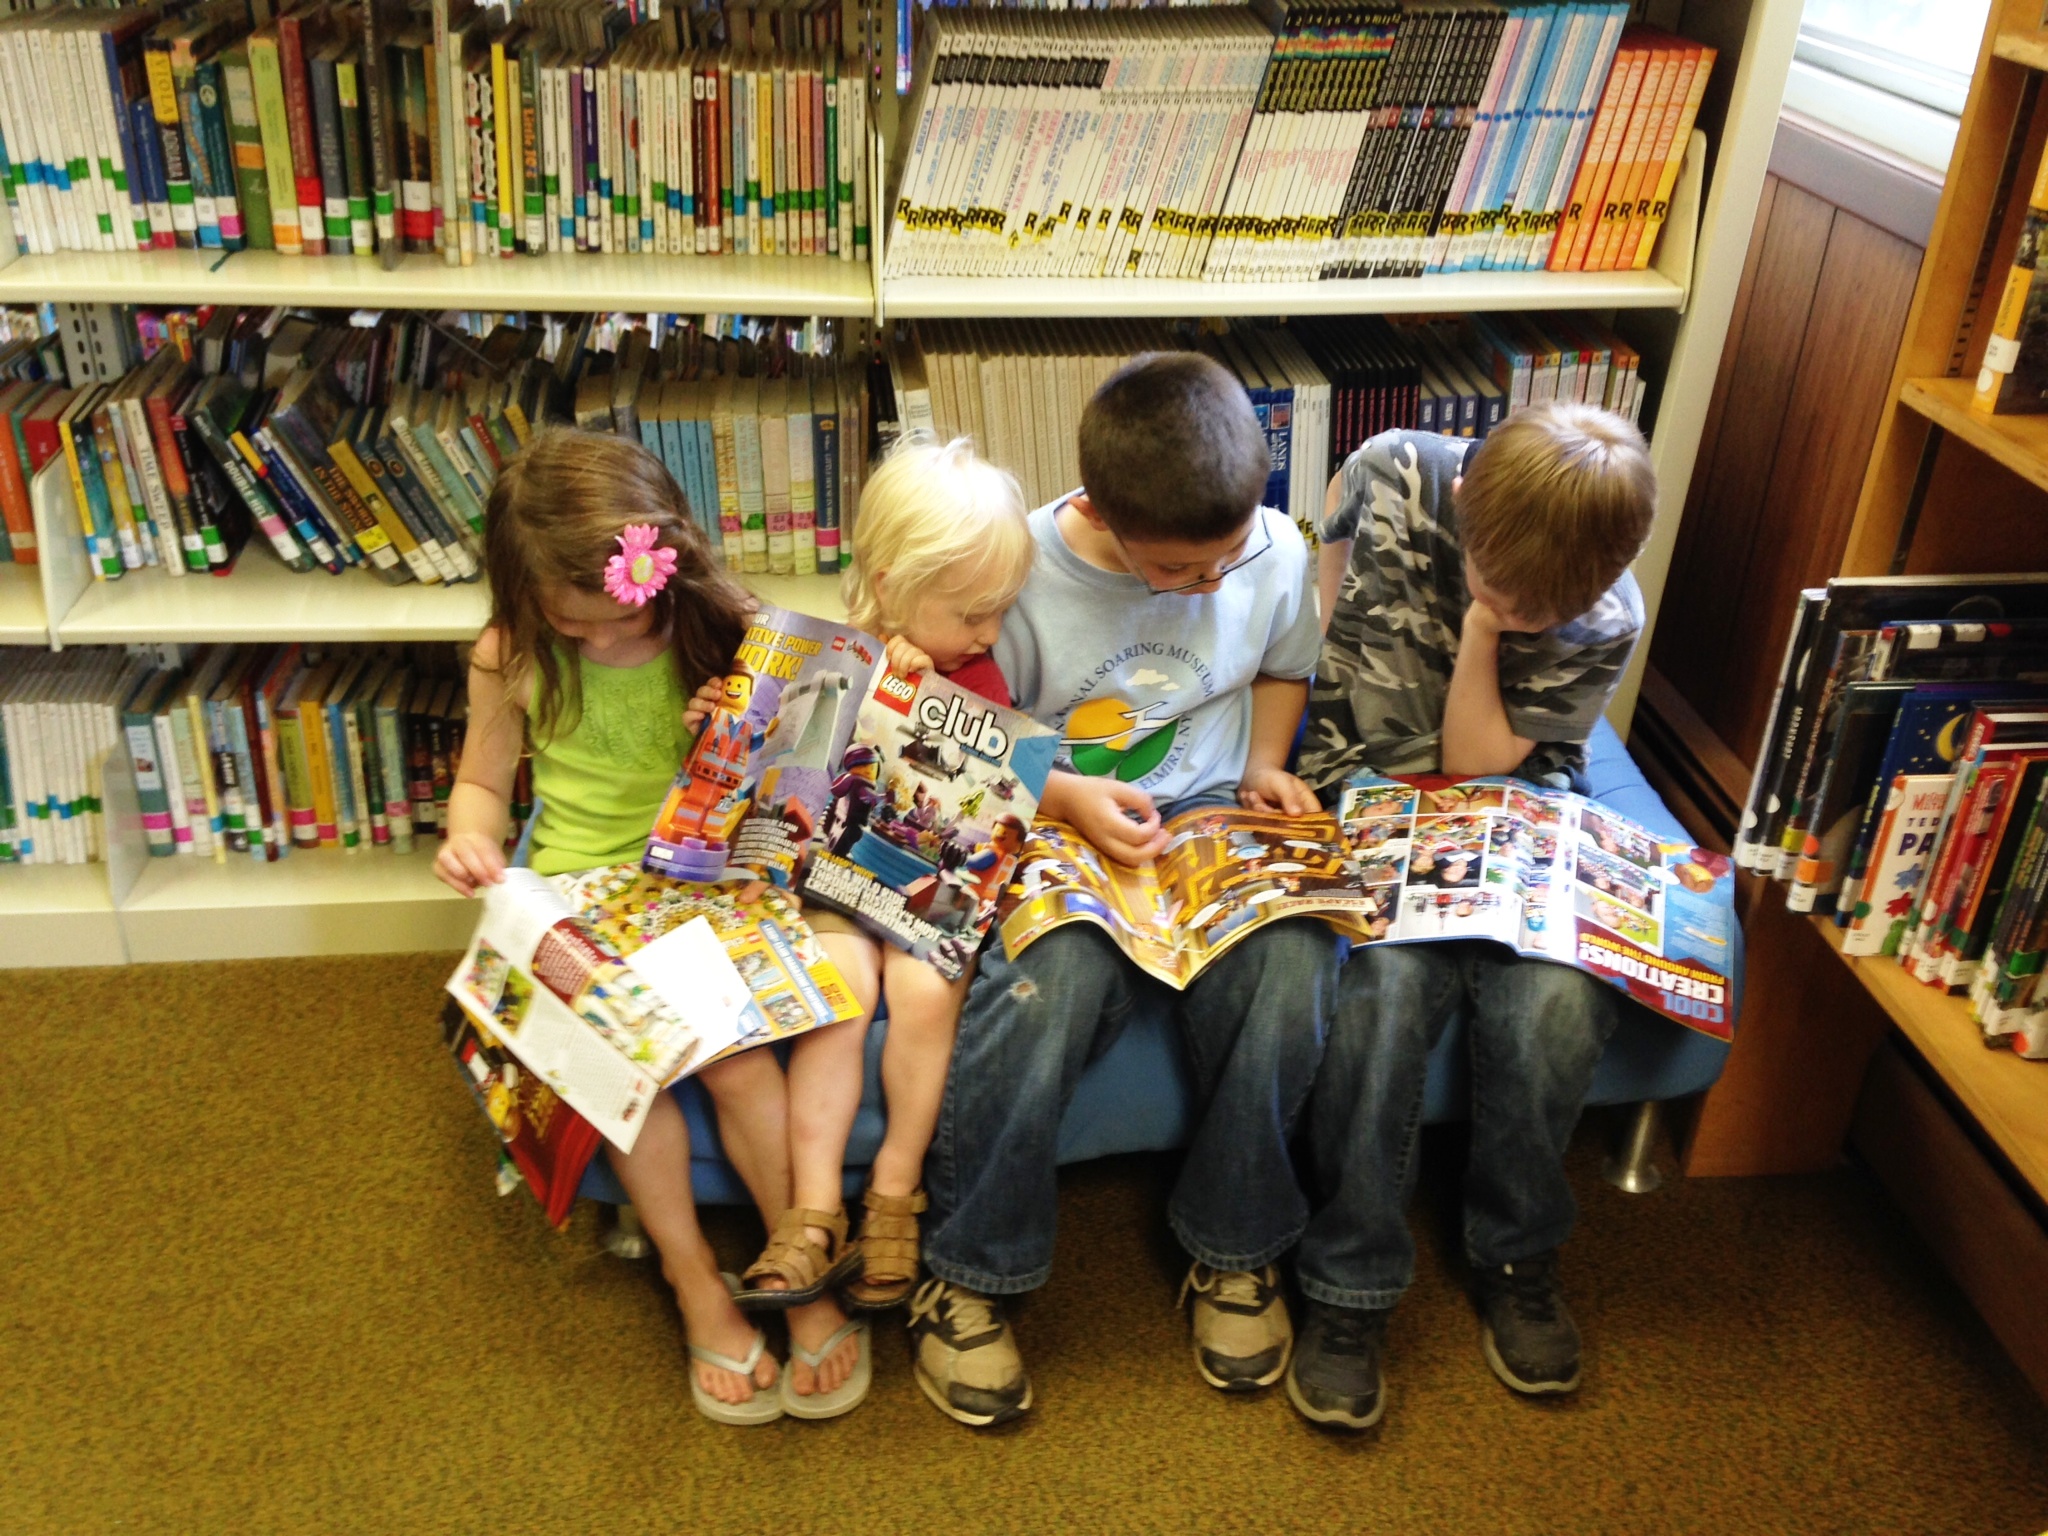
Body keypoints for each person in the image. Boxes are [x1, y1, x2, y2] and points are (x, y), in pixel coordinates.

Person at [912, 351, 1339, 1428]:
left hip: (1208, 816)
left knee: (1292, 966)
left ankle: (1236, 1251)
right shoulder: (1019, 578)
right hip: (1063, 817)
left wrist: (1263, 765)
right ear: (1098, 512)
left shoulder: (1274, 550)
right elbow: (958, 731)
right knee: (1039, 982)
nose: (1207, 589)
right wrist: (1062, 799)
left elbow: (1284, 664)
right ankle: (966, 1270)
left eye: (1222, 565)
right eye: (1175, 573)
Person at [430, 429, 865, 1425]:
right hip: (577, 895)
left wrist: (737, 728)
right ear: (522, 591)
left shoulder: (724, 627)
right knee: (621, 1064)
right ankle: (692, 1279)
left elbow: (801, 773)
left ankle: (793, 1267)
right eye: (571, 625)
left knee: (741, 1064)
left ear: (665, 567)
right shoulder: (507, 653)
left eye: (617, 618)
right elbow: (482, 784)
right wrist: (469, 841)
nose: (597, 642)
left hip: (697, 875)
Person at [1294, 401, 1657, 1429]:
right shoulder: (1391, 468)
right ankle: (1348, 1279)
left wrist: (1487, 625)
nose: (1543, 618)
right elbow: (1328, 559)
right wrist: (1337, 646)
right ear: (1463, 498)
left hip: (1505, 792)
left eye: (1557, 609)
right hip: (1369, 786)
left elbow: (1473, 762)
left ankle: (1515, 1248)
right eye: (1511, 597)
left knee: (1554, 1008)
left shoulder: (1604, 613)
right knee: (1383, 991)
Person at [705, 438, 1035, 1319]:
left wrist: (955, 697)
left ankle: (895, 1190)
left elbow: (998, 793)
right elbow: (787, 769)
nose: (990, 632)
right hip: (836, 885)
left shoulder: (982, 671)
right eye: (971, 613)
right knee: (837, 994)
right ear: (889, 584)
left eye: (1001, 610)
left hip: (929, 888)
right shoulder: (838, 651)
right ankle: (814, 1208)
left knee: (926, 995)